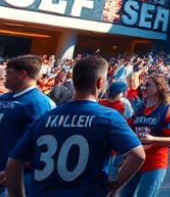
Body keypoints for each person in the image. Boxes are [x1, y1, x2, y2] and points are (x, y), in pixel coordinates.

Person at [5, 56, 145, 197]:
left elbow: (13, 164)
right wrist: (115, 185)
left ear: (73, 82)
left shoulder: (46, 117)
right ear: (100, 82)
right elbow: (137, 155)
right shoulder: (109, 117)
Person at [0, 55, 56, 197]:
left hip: (13, 179)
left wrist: (12, 171)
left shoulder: (39, 103)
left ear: (22, 74)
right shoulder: (4, 97)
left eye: (9, 73)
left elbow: (40, 145)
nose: (4, 76)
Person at [120, 74, 170, 197]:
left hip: (155, 162)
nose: (143, 88)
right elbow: (129, 128)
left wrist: (153, 139)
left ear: (159, 88)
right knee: (124, 194)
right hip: (135, 160)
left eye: (147, 85)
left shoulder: (167, 109)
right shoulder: (139, 107)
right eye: (142, 85)